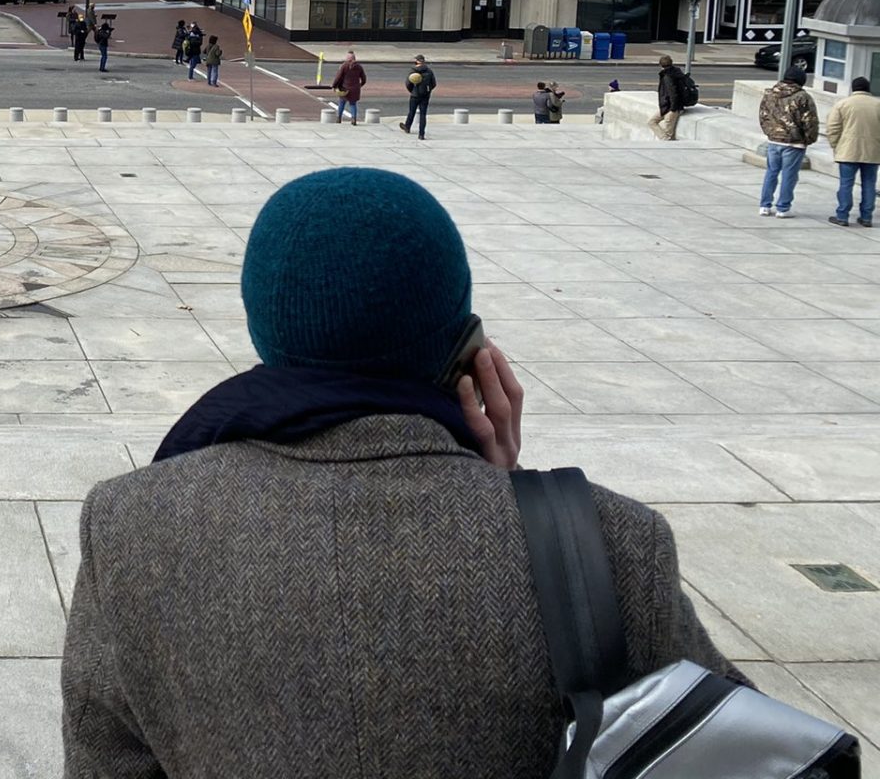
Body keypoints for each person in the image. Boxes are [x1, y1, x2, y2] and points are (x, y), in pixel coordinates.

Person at [60, 168, 740, 779]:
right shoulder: (611, 543)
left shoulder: (131, 527)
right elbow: (763, 759)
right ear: (467, 350)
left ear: (265, 327)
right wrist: (518, 502)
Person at [758, 64, 819, 218]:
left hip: (774, 140)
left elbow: (763, 115)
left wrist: (770, 132)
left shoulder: (770, 93)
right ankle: (783, 208)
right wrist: (809, 139)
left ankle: (765, 206)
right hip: (794, 142)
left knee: (771, 172)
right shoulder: (802, 97)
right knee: (789, 175)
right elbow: (809, 121)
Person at [825, 75, 880, 228]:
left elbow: (833, 128)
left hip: (848, 151)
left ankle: (842, 215)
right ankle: (866, 217)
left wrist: (836, 146)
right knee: (869, 184)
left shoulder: (843, 104)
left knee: (846, 184)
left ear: (853, 89)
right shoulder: (877, 104)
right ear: (868, 89)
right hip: (872, 152)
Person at [650, 55, 693, 140]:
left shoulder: (668, 77)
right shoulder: (676, 72)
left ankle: (665, 140)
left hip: (671, 108)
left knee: (667, 134)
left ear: (661, 65)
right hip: (669, 106)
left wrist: (673, 109)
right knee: (652, 121)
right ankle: (664, 138)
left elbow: (672, 93)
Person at [400, 54, 435, 139]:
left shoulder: (413, 70)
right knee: (423, 115)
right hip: (425, 96)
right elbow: (433, 84)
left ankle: (407, 127)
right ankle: (421, 134)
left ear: (417, 61)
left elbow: (408, 83)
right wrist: (428, 91)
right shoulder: (429, 71)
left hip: (415, 95)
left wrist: (412, 91)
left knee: (411, 111)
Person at [331, 51, 367, 125]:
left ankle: (339, 118)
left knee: (341, 102)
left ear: (348, 58)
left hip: (345, 88)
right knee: (353, 104)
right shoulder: (359, 67)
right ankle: (353, 119)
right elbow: (364, 79)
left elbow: (338, 77)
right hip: (355, 89)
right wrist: (360, 85)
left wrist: (334, 86)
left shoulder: (344, 66)